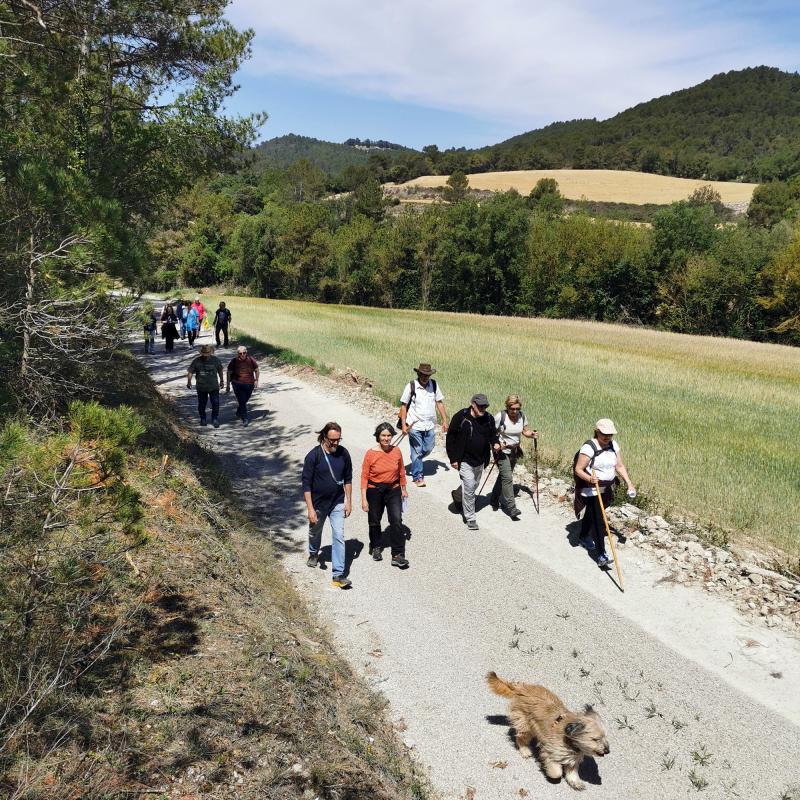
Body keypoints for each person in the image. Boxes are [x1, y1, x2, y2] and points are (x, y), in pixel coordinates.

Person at [573, 419, 636, 569]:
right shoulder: (589, 448)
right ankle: (601, 555)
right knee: (598, 518)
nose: (607, 437)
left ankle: (583, 536)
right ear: (597, 431)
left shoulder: (614, 446)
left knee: (593, 513)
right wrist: (589, 478)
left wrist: (629, 483)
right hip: (592, 488)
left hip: (608, 487)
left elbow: (619, 466)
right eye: (604, 434)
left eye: (610, 434)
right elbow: (578, 469)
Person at [302, 422, 353, 589]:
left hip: (337, 502)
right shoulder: (313, 456)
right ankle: (313, 553)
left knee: (338, 534)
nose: (336, 443)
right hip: (318, 503)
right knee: (315, 531)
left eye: (338, 439)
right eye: (332, 440)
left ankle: (338, 574)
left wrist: (348, 501)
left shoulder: (344, 454)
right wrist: (310, 509)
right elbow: (306, 485)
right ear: (324, 437)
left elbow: (348, 479)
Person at [446, 394, 501, 530]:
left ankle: (458, 495)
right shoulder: (461, 417)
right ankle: (470, 518)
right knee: (470, 487)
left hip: (481, 460)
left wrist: (495, 443)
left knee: (473, 485)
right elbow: (450, 437)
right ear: (472, 404)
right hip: (464, 459)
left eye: (485, 406)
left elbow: (493, 435)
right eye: (480, 406)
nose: (483, 408)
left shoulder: (488, 419)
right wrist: (453, 459)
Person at [361, 423, 409, 568]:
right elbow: (364, 476)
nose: (386, 438)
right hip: (374, 490)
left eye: (389, 435)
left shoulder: (397, 451)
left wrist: (404, 488)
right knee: (374, 520)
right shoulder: (370, 453)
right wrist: (364, 499)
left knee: (396, 520)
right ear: (378, 436)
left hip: (393, 489)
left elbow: (401, 471)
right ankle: (376, 546)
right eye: (383, 435)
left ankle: (397, 554)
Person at [398, 363, 448, 488]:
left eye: (427, 375)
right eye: (423, 375)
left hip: (429, 424)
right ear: (418, 374)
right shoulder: (411, 386)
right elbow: (403, 406)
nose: (425, 377)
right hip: (414, 425)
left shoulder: (434, 385)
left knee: (429, 448)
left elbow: (439, 402)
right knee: (417, 451)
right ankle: (417, 476)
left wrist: (445, 420)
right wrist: (404, 425)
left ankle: (416, 458)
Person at [490, 395, 538, 520]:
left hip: (515, 451)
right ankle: (512, 508)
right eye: (512, 408)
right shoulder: (500, 416)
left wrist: (531, 434)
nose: (515, 411)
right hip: (501, 451)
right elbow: (491, 433)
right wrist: (495, 444)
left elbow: (525, 431)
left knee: (504, 476)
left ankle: (494, 498)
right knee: (507, 478)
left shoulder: (522, 416)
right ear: (507, 407)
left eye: (517, 408)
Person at [186, 344, 224, 428]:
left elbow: (220, 370)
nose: (206, 356)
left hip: (214, 386)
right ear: (201, 354)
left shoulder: (216, 360)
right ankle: (203, 418)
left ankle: (215, 418)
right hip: (201, 387)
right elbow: (190, 371)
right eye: (204, 355)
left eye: (207, 354)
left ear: (210, 353)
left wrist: (221, 381)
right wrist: (189, 381)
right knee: (202, 404)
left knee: (215, 403)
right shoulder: (196, 361)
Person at [226, 345, 259, 425]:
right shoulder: (234, 361)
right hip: (237, 384)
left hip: (249, 383)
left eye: (244, 353)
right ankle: (245, 418)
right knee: (241, 400)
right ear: (238, 354)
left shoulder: (251, 360)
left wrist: (256, 380)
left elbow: (256, 370)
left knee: (245, 400)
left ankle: (239, 411)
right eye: (240, 353)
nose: (242, 355)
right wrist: (227, 385)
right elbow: (229, 373)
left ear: (246, 352)